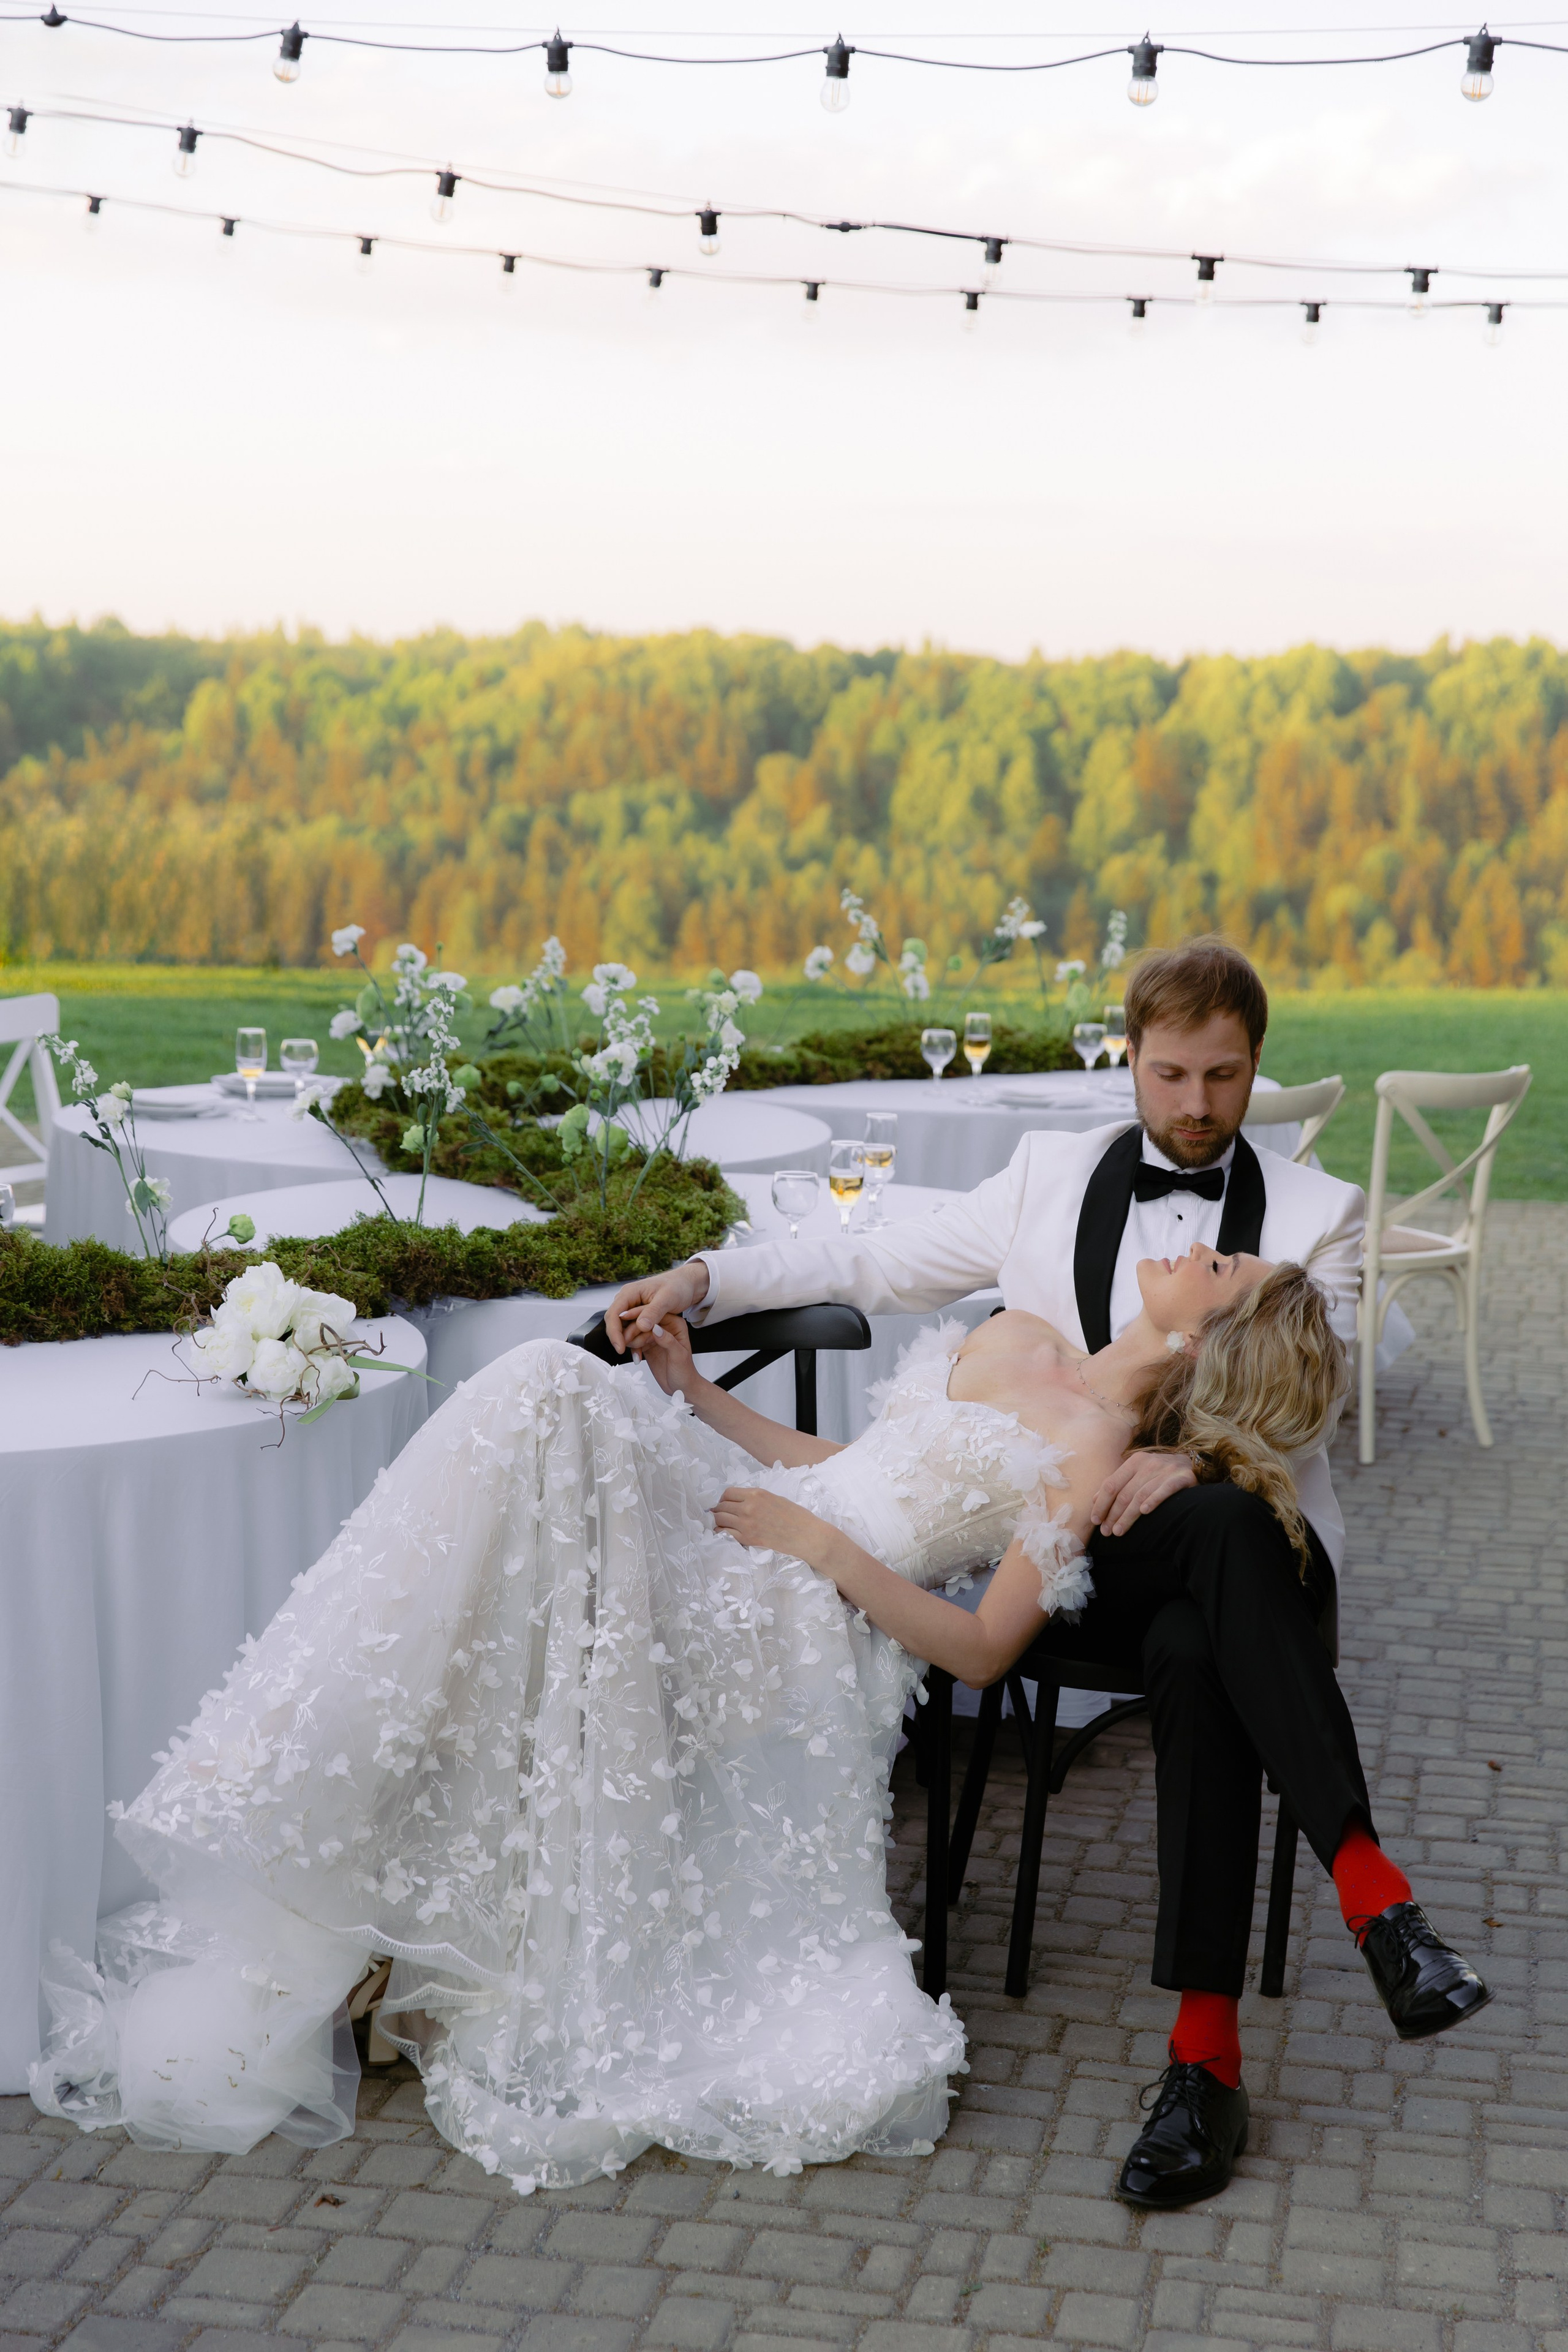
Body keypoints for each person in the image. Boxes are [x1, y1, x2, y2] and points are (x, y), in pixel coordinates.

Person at [36, 1231, 1317, 2193]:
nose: (1195, 1244)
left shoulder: (1095, 1450)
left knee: (541, 1398)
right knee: (542, 1395)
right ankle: (369, 1866)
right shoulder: (1023, 1330)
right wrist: (693, 1393)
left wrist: (818, 1553)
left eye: (1221, 1265)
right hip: (765, 1526)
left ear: (1206, 1342)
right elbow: (862, 1468)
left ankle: (344, 1841)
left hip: (805, 1609)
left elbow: (981, 1652)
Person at [605, 935, 1491, 2209]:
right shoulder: (1048, 1176)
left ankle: (1207, 2064)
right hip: (1079, 1554)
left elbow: (1313, 1391)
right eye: (1171, 1074)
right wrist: (703, 1277)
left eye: (1223, 1077)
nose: (1196, 1105)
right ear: (1130, 1058)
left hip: (1245, 1545)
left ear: (1257, 1066)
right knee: (1193, 1591)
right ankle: (1373, 1901)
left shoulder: (1319, 1214)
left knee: (1205, 1608)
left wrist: (1196, 1456)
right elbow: (870, 1258)